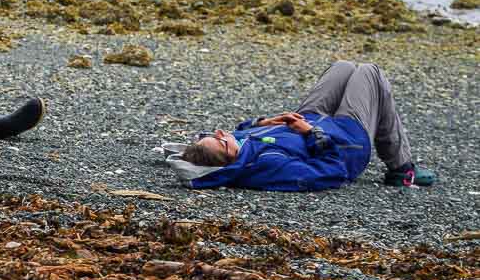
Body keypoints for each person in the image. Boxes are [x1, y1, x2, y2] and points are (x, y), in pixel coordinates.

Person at [165, 61, 436, 191]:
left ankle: (400, 164)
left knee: (343, 67)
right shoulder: (268, 167)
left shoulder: (235, 150)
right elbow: (334, 171)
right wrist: (311, 134)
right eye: (221, 140)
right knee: (370, 72)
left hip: (309, 119)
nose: (223, 133)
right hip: (347, 140)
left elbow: (239, 131)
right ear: (228, 158)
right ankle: (402, 169)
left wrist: (263, 123)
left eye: (217, 134)